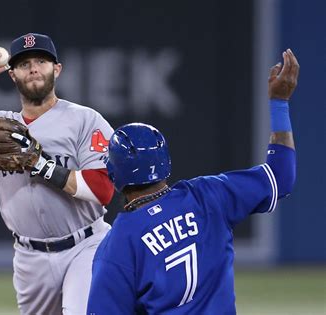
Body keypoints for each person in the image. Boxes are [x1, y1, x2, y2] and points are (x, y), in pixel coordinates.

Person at [86, 49, 299, 314]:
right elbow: (282, 176)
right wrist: (279, 103)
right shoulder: (208, 195)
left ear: (114, 174)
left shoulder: (117, 245)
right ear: (165, 163)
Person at [0, 33, 114, 315]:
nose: (34, 68)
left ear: (57, 69)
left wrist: (40, 164)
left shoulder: (84, 119)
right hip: (30, 257)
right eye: (25, 64)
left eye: (41, 61)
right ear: (12, 75)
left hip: (85, 245)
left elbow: (103, 189)